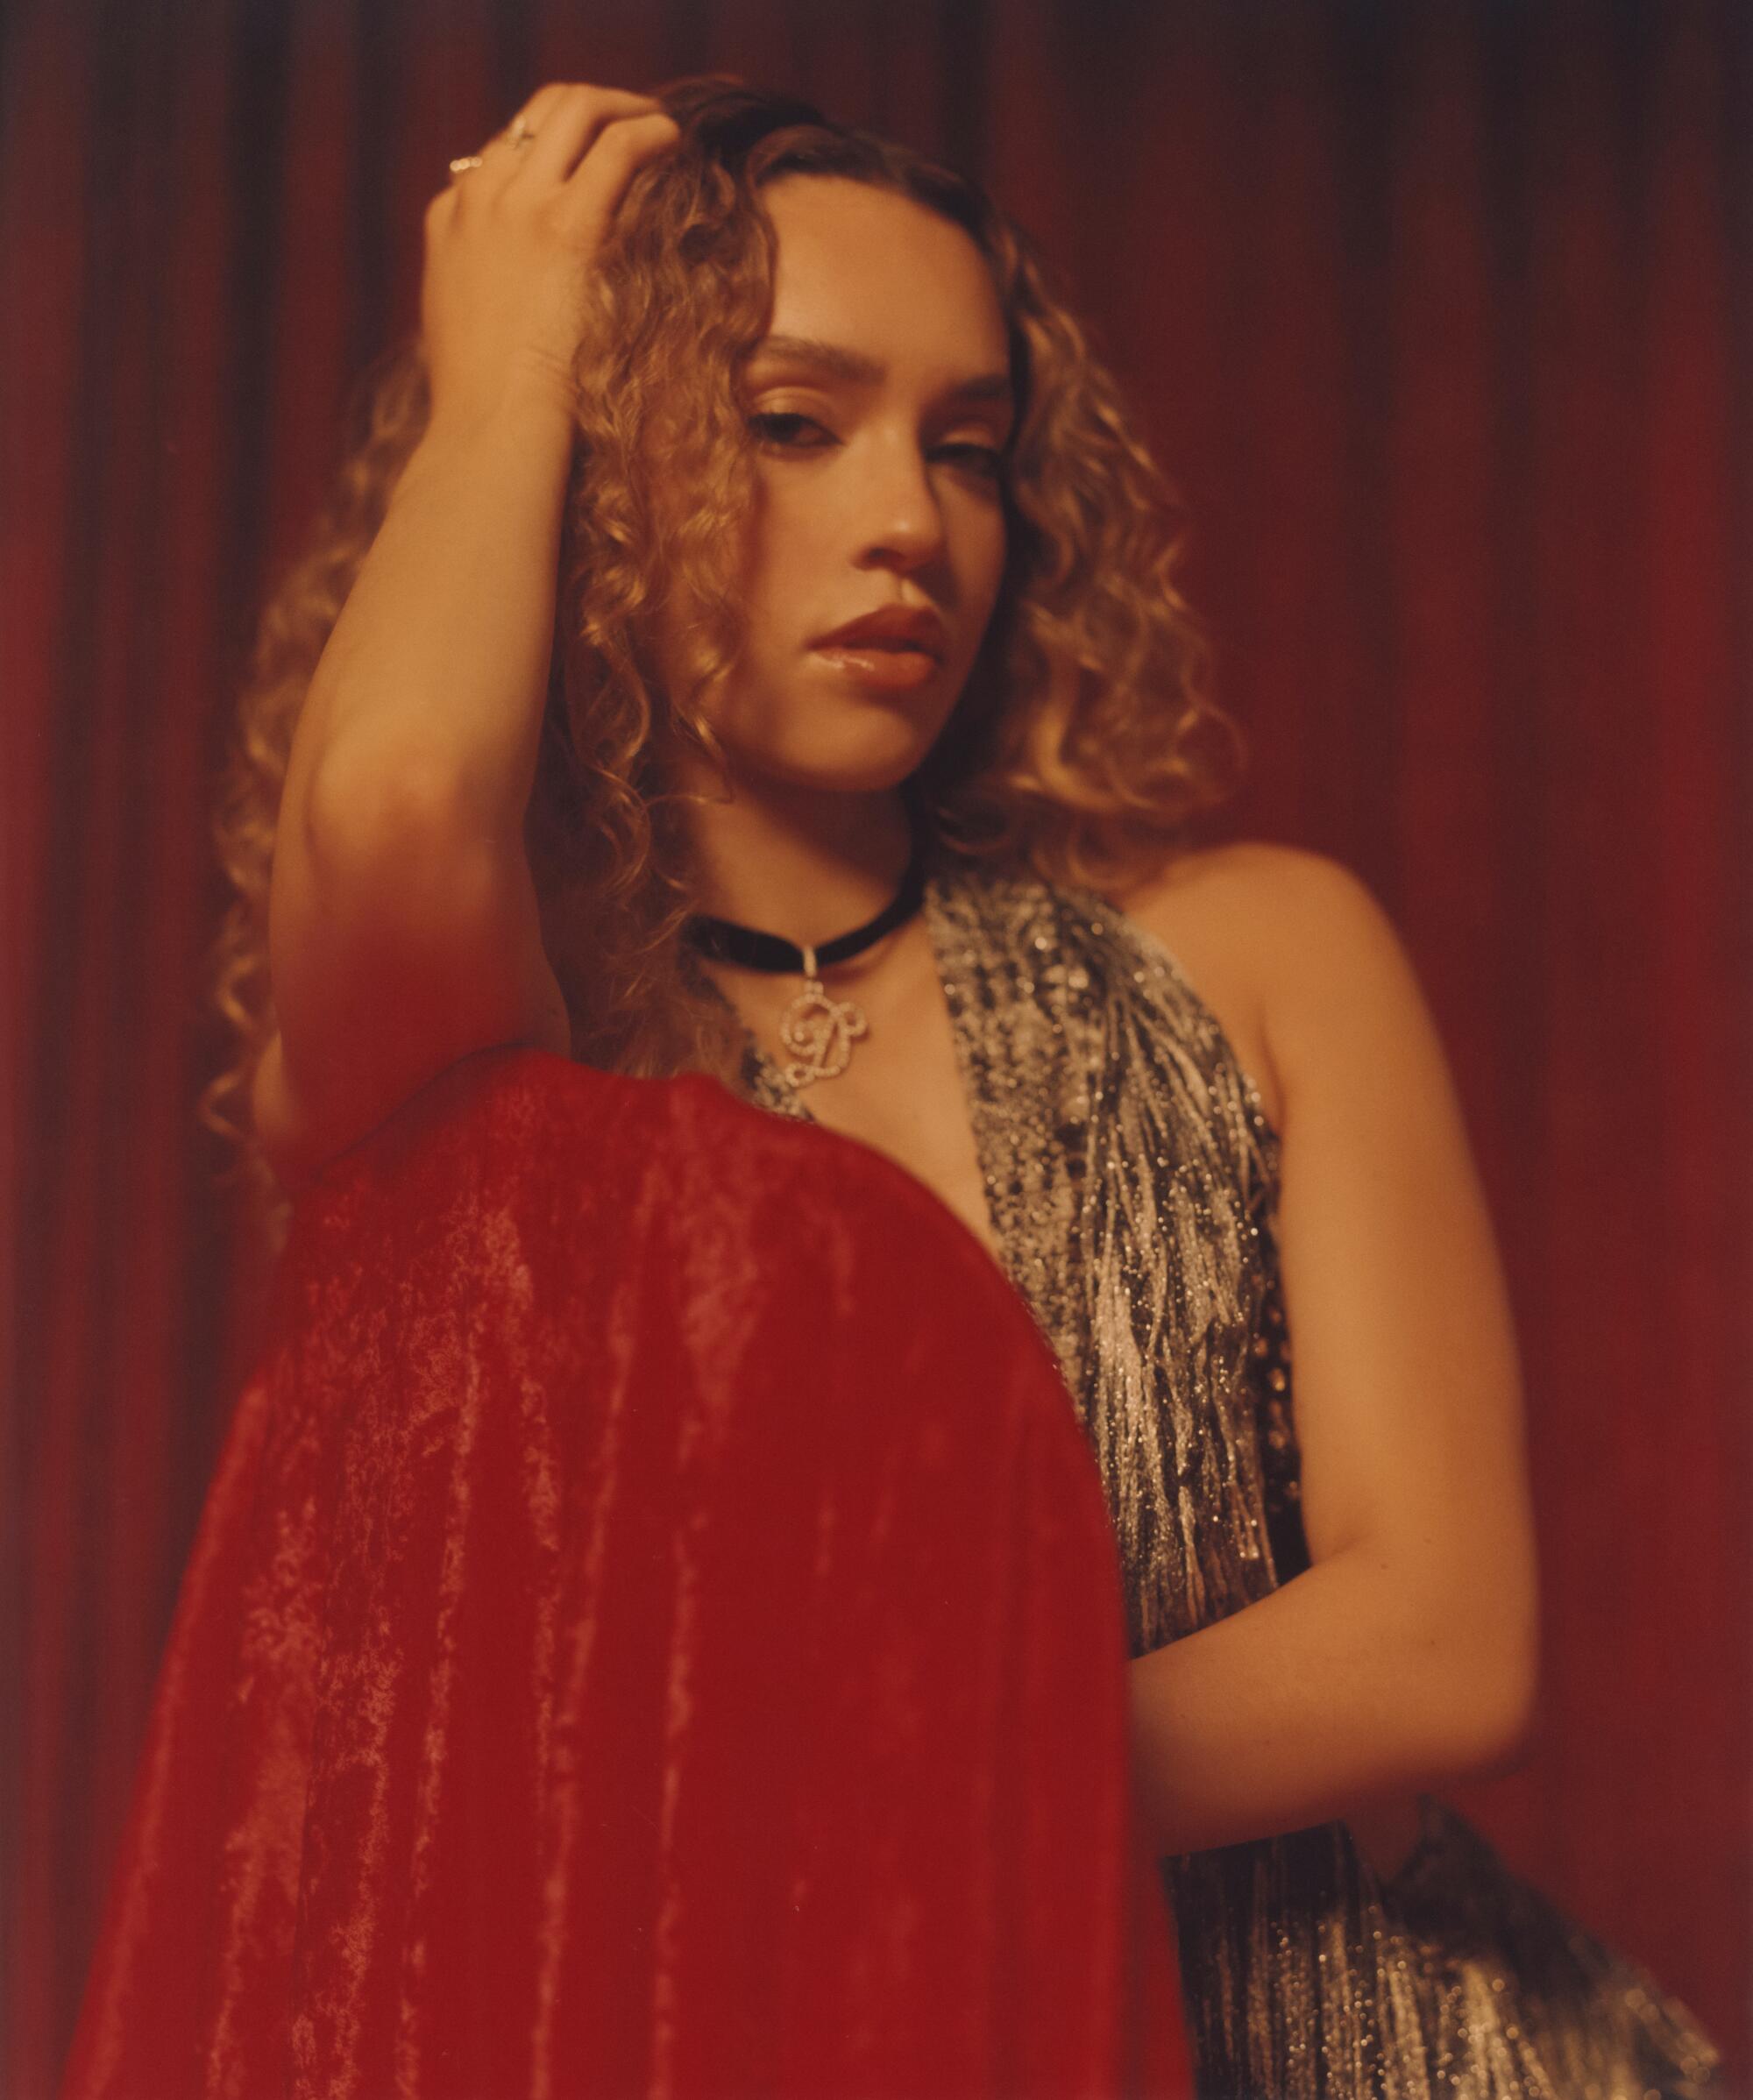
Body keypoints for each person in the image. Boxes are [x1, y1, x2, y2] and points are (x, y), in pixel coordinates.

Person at [205, 73, 1717, 2097]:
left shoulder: (1254, 952)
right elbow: (393, 802)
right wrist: (509, 364)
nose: (909, 521)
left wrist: (848, 1775)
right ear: (603, 461)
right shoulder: (500, 1050)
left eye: (970, 448)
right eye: (788, 423)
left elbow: (1448, 1638)